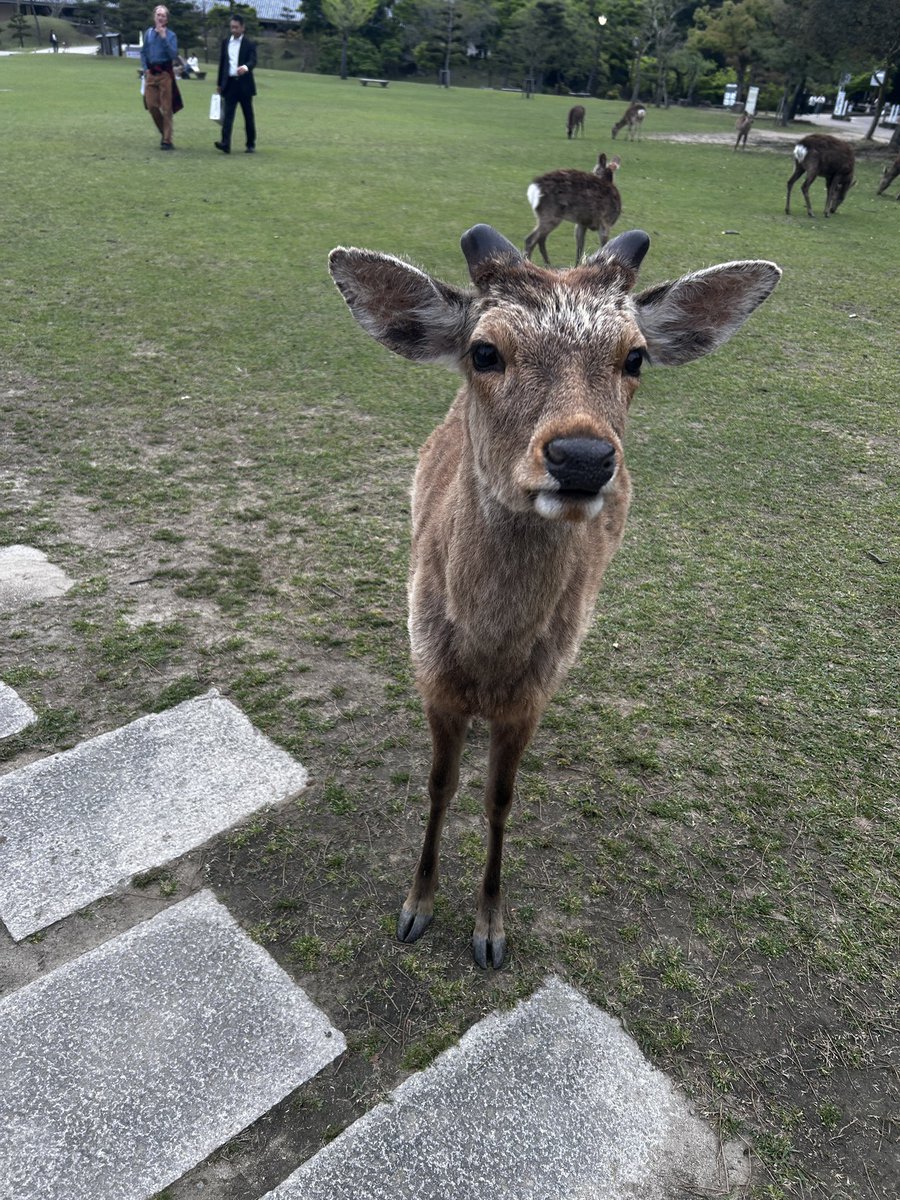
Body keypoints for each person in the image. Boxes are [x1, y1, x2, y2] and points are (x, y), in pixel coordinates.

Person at [140, 5, 183, 151]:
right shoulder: (148, 33)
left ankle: (167, 140)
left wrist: (164, 37)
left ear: (167, 19)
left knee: (167, 108)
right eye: (158, 15)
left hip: (165, 74)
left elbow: (173, 55)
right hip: (151, 74)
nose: (160, 17)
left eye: (163, 15)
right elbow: (143, 52)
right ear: (154, 17)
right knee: (151, 105)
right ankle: (164, 131)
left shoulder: (171, 35)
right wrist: (145, 69)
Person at [215, 15, 257, 155]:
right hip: (230, 83)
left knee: (248, 115)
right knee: (228, 116)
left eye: (236, 27)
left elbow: (253, 60)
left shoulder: (249, 44)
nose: (233, 30)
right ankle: (225, 143)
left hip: (244, 84)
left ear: (243, 27)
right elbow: (222, 64)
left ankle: (250, 144)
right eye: (232, 27)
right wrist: (220, 83)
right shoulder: (226, 42)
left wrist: (245, 67)